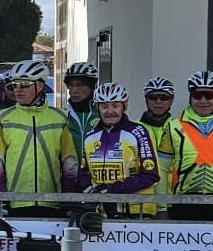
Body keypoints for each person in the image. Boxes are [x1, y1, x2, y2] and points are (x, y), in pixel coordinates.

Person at [156, 70, 213, 220]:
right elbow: (161, 169)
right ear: (190, 97)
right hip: (183, 202)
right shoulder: (173, 126)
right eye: (197, 95)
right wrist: (161, 207)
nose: (203, 100)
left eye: (209, 95)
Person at [0, 59, 76, 215]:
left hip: (52, 201)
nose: (18, 90)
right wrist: (1, 198)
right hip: (15, 202)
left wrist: (67, 198)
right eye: (14, 85)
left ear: (40, 85)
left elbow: (70, 161)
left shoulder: (60, 117)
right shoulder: (3, 117)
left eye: (24, 85)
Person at [80, 83, 160, 218]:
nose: (110, 111)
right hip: (102, 213)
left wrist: (112, 189)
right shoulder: (90, 135)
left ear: (125, 106)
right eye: (104, 106)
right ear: (97, 107)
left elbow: (151, 175)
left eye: (115, 105)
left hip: (137, 212)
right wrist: (86, 186)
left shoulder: (139, 132)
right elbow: (83, 171)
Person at [62, 62, 102, 156]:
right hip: (69, 170)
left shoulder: (101, 114)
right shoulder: (62, 115)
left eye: (80, 85)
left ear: (91, 87)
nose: (74, 90)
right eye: (71, 85)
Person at [138, 77, 176, 151]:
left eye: (164, 97)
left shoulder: (178, 128)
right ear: (146, 100)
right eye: (153, 97)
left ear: (171, 100)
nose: (158, 101)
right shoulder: (134, 127)